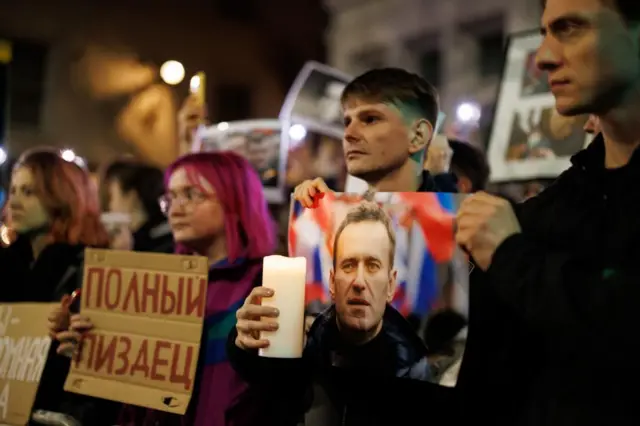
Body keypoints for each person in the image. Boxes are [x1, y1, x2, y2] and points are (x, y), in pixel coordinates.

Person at [455, 0, 640, 425]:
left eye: (571, 28)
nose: (543, 57)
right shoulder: (542, 214)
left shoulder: (517, 238)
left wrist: (510, 258)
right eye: (544, 34)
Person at [56, 152, 278, 426]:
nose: (175, 209)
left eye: (191, 194)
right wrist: (95, 353)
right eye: (170, 198)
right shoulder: (156, 284)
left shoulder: (265, 283)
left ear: (234, 199)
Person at [228, 202, 440, 426]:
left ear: (390, 284)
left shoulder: (416, 368)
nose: (359, 282)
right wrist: (244, 343)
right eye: (348, 265)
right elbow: (268, 376)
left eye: (372, 265)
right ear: (332, 281)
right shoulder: (304, 345)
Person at [0, 148, 113, 423]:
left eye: (29, 192)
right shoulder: (9, 265)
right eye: (13, 190)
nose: (14, 201)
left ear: (63, 198)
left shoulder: (90, 269)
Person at [294, 68, 457, 207]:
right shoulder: (334, 214)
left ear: (418, 136)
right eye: (347, 122)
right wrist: (328, 214)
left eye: (370, 119)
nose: (348, 134)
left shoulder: (463, 227)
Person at [102, 158, 173, 253]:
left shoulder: (159, 245)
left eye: (112, 196)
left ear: (132, 196)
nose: (110, 206)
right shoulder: (164, 235)